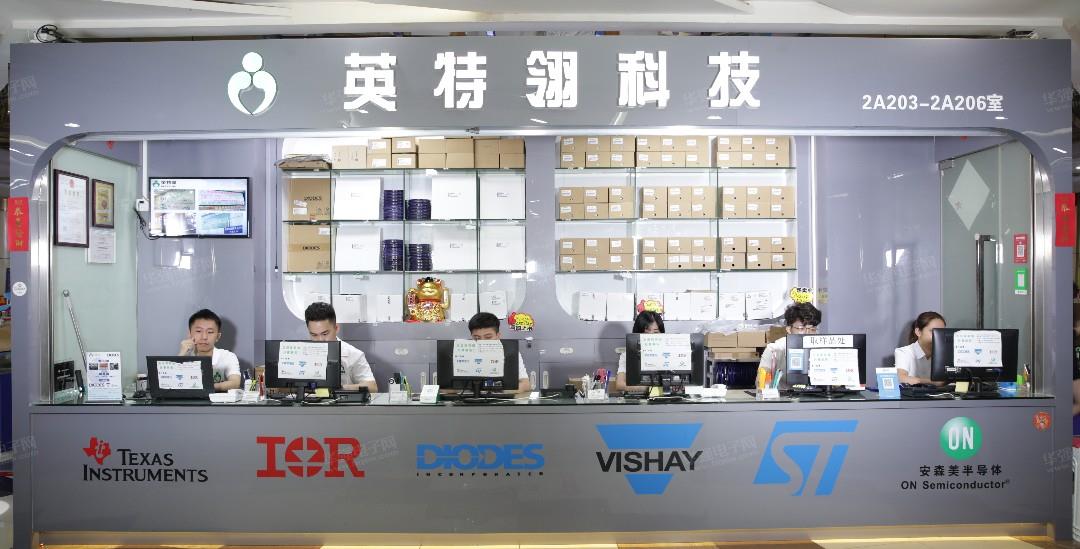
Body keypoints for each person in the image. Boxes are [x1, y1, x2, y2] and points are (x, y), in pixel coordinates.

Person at [305, 302, 378, 393]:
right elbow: (287, 387)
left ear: (336, 328)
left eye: (325, 334)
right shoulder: (301, 352)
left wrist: (339, 388)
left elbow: (372, 387)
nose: (320, 340)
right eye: (314, 335)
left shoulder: (353, 354)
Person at [757, 303, 822, 391]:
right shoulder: (775, 349)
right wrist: (764, 384)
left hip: (816, 396)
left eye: (812, 329)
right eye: (801, 328)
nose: (807, 333)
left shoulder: (821, 348)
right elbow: (761, 380)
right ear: (788, 329)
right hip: (783, 396)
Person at [178, 309, 241, 392]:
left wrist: (207, 387)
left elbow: (235, 382)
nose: (204, 337)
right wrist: (181, 355)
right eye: (199, 331)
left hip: (217, 400)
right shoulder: (185, 355)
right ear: (190, 334)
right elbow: (172, 382)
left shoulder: (227, 356)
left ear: (218, 337)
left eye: (210, 332)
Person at [467, 312, 531, 393]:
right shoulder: (462, 351)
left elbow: (526, 384)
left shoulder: (510, 351)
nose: (482, 342)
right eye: (477, 338)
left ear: (498, 336)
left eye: (488, 337)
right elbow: (450, 387)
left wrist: (499, 392)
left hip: (500, 399)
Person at [614, 311, 665, 392]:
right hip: (639, 398)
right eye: (646, 333)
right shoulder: (627, 355)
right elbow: (620, 384)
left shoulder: (668, 353)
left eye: (656, 332)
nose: (651, 338)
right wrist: (651, 389)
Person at [894, 311, 946, 385]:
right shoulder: (904, 352)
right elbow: (901, 378)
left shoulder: (945, 354)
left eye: (942, 331)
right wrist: (934, 382)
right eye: (933, 331)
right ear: (918, 332)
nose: (939, 335)